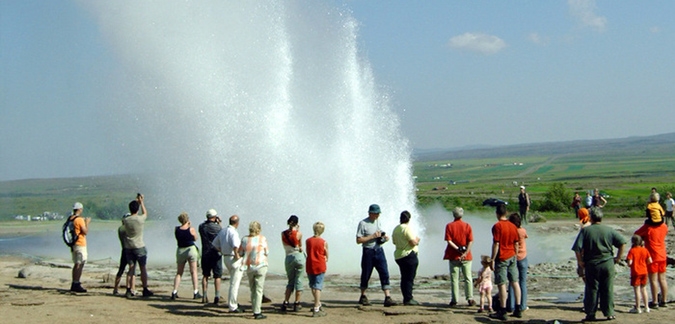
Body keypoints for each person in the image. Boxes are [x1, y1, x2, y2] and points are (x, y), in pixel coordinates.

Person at [571, 207, 626, 321]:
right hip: (607, 263)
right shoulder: (609, 230)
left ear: (590, 217)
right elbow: (622, 243)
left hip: (592, 264)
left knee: (592, 289)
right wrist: (618, 258)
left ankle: (591, 314)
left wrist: (580, 262)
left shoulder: (585, 231)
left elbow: (577, 248)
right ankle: (609, 313)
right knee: (608, 288)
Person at [356, 204, 397, 307]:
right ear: (370, 213)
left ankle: (387, 297)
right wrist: (372, 237)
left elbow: (380, 233)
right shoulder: (363, 223)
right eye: (376, 213)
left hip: (379, 250)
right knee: (366, 274)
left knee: (384, 272)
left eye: (378, 213)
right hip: (368, 251)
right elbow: (359, 240)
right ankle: (363, 296)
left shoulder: (378, 221)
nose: (378, 215)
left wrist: (384, 237)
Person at [488, 203, 522, 321]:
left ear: (497, 214)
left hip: (502, 257)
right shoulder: (513, 226)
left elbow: (496, 244)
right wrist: (515, 255)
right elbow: (516, 243)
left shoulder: (497, 226)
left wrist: (492, 259)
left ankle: (502, 310)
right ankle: (518, 308)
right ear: (506, 213)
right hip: (512, 255)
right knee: (515, 282)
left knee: (502, 284)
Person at [212, 214, 245, 313]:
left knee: (233, 281)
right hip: (233, 258)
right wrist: (237, 255)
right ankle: (233, 306)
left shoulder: (223, 231)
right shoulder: (233, 232)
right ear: (237, 223)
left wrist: (222, 250)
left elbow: (214, 244)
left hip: (226, 257)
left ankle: (233, 302)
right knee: (235, 283)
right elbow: (235, 245)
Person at [634, 216, 669, 309]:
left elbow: (636, 235)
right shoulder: (664, 226)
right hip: (662, 255)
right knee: (662, 279)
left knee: (653, 280)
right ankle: (664, 300)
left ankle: (655, 301)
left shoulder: (648, 227)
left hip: (652, 256)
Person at [443, 207, 475, 307]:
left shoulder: (449, 226)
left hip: (453, 255)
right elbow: (470, 241)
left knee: (454, 279)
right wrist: (465, 252)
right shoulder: (467, 226)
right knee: (468, 278)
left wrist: (457, 249)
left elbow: (448, 240)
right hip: (466, 256)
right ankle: (470, 298)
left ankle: (454, 300)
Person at [123, 193, 153, 297]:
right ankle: (145, 288)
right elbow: (145, 213)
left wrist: (136, 202)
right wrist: (141, 202)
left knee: (131, 268)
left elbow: (132, 210)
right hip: (139, 246)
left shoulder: (125, 220)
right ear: (137, 209)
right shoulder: (140, 219)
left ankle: (128, 289)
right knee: (142, 268)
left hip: (128, 246)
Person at [239, 221, 269, 320]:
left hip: (249, 267)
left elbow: (240, 252)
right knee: (259, 290)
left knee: (253, 289)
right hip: (261, 265)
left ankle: (254, 309)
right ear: (259, 229)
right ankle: (257, 311)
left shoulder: (244, 239)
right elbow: (267, 252)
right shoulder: (262, 238)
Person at [392, 210, 420, 306]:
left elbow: (394, 242)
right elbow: (412, 242)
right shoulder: (407, 228)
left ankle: (406, 297)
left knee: (404, 278)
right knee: (409, 278)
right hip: (408, 255)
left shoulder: (396, 229)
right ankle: (408, 298)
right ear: (409, 219)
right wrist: (417, 240)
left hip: (399, 256)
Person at [170, 212, 201, 300]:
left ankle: (174, 291)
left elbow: (178, 238)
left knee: (179, 272)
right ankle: (195, 291)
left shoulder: (176, 229)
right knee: (193, 272)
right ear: (187, 220)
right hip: (190, 249)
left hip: (180, 250)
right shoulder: (191, 229)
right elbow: (195, 238)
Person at [281, 215, 305, 312]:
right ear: (297, 223)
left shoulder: (283, 234)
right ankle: (297, 303)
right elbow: (299, 246)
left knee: (290, 281)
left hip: (288, 257)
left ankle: (286, 302)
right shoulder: (299, 234)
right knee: (299, 280)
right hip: (298, 257)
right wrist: (297, 230)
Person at [199, 209, 223, 305]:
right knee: (217, 276)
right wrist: (219, 223)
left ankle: (204, 295)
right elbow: (222, 235)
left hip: (205, 253)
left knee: (205, 275)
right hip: (216, 253)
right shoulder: (218, 228)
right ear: (215, 217)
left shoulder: (201, 227)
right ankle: (217, 296)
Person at [305, 222, 329, 317]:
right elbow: (326, 254)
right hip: (320, 265)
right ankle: (316, 308)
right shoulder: (323, 242)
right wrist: (325, 258)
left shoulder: (308, 241)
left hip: (310, 265)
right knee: (318, 286)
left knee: (312, 285)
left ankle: (317, 303)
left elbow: (307, 252)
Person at [507, 213, 528, 313]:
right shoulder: (522, 231)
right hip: (523, 257)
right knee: (522, 282)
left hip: (513, 257)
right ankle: (522, 305)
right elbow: (526, 236)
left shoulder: (511, 232)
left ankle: (511, 306)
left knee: (512, 281)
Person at [626, 234, 652, 314]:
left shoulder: (632, 251)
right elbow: (650, 261)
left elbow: (629, 262)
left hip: (636, 272)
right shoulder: (645, 250)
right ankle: (647, 307)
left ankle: (638, 307)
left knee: (637, 290)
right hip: (644, 271)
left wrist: (629, 264)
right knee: (644, 289)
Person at [68, 202, 91, 293]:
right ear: (80, 209)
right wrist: (87, 223)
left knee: (76, 263)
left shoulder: (70, 218)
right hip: (80, 243)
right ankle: (76, 283)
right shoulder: (79, 219)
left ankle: (75, 282)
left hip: (73, 244)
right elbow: (85, 232)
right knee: (80, 263)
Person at [113, 213, 135, 296]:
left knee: (121, 269)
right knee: (132, 270)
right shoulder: (126, 229)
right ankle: (131, 289)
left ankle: (115, 289)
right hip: (130, 250)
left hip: (124, 250)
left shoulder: (120, 228)